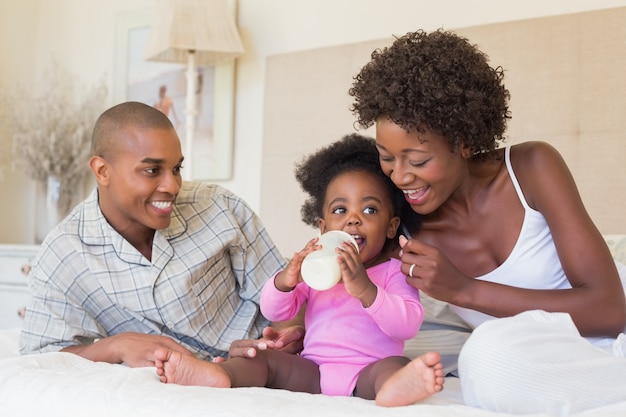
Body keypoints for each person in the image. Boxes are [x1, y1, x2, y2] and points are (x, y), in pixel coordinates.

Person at [348, 28, 626, 415]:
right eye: (387, 157)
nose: (399, 176)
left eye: (418, 160)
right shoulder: (399, 224)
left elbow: (610, 310)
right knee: (486, 359)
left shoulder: (531, 168)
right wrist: (292, 338)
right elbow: (337, 268)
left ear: (463, 141)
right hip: (544, 359)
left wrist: (463, 290)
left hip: (616, 328)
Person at [154, 134, 444, 407]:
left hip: (368, 371)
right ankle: (218, 375)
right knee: (263, 359)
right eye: (340, 210)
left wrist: (366, 290)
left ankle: (393, 389)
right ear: (323, 227)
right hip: (313, 371)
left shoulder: (394, 271)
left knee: (397, 367)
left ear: (391, 226)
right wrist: (286, 281)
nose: (353, 220)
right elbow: (274, 311)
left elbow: (407, 324)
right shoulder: (318, 267)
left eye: (369, 210)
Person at [19, 101, 301, 367]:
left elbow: (289, 301)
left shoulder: (220, 207)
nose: (172, 185)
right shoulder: (64, 252)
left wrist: (286, 337)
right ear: (102, 171)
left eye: (176, 168)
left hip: (261, 364)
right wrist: (117, 346)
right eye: (152, 170)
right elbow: (41, 357)